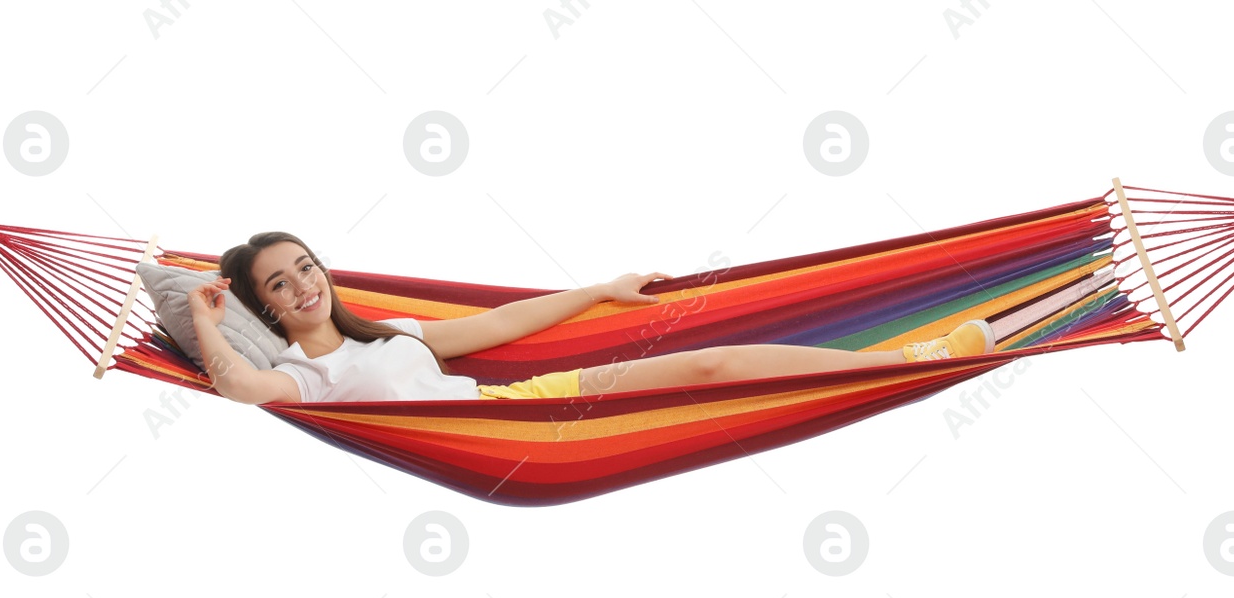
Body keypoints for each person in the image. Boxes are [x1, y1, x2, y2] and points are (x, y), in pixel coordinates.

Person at [189, 231, 996, 404]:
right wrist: (200, 317)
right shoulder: (297, 376)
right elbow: (238, 391)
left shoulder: (391, 332)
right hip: (497, 442)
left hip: (525, 404)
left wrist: (599, 291)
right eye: (281, 286)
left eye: (307, 267)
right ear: (264, 306)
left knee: (716, 361)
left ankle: (920, 352)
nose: (305, 288)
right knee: (715, 372)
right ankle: (919, 357)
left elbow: (501, 324)